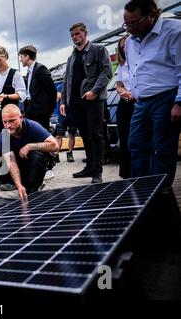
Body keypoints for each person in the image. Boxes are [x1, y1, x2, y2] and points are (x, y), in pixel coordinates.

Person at [123, 0, 181, 188]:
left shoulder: (174, 31)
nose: (130, 28)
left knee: (162, 149)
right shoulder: (130, 42)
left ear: (152, 15)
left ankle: (161, 193)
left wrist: (179, 102)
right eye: (127, 23)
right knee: (136, 145)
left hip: (166, 97)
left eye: (134, 22)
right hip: (141, 102)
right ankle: (141, 190)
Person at [60, 22, 112, 184]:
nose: (75, 37)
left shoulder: (98, 50)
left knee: (96, 135)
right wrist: (63, 101)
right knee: (85, 135)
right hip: (75, 102)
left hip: (92, 100)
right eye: (72, 35)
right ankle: (89, 166)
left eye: (77, 34)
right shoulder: (72, 57)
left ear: (85, 33)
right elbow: (66, 80)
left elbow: (107, 71)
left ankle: (98, 171)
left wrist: (94, 91)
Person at [0, 45, 26, 191]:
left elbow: (22, 94)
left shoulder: (15, 74)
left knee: (11, 147)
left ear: (6, 57)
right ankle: (2, 177)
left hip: (11, 117)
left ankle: (13, 180)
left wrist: (6, 96)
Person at [0, 105, 59, 198]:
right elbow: (12, 163)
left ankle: (34, 188)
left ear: (21, 118)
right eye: (5, 122)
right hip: (20, 164)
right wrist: (19, 186)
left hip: (35, 162)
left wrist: (30, 146)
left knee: (37, 156)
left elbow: (55, 146)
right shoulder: (4, 136)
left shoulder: (33, 126)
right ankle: (19, 183)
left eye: (12, 121)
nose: (8, 126)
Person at [19, 45, 57, 181]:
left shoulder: (40, 69)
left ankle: (50, 166)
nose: (20, 59)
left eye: (21, 57)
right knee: (34, 138)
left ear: (27, 56)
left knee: (43, 138)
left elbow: (52, 91)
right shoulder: (29, 72)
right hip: (31, 110)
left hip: (41, 112)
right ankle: (40, 166)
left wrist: (49, 110)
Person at [115, 35, 134, 179]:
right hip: (125, 104)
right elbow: (118, 85)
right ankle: (126, 174)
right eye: (121, 46)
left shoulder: (139, 61)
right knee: (124, 138)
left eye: (126, 45)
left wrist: (134, 93)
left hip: (138, 101)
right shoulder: (122, 65)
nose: (124, 48)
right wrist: (125, 93)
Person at [54, 83, 77, 163]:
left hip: (73, 114)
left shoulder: (75, 85)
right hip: (62, 115)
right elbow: (58, 96)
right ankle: (56, 155)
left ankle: (70, 154)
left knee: (72, 135)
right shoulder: (60, 86)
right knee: (58, 135)